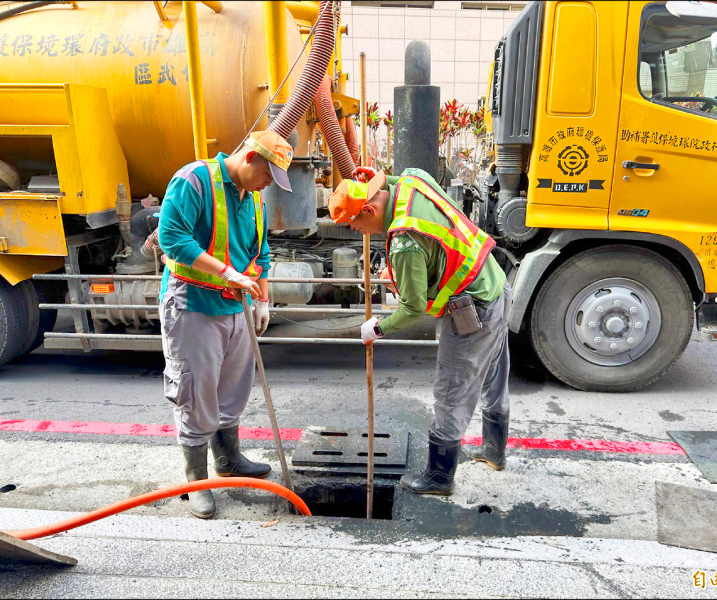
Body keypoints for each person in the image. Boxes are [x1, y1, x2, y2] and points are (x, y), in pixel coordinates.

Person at [328, 167, 512, 496]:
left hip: (473, 312)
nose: (359, 231)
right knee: (493, 374)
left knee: (452, 391)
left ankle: (440, 478)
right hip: (495, 284)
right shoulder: (413, 180)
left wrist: (377, 328)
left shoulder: (404, 243)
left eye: (356, 225)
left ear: (369, 209)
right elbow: (396, 180)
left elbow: (412, 309)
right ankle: (495, 452)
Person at [158, 130, 293, 518]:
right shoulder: (194, 181)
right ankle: (196, 480)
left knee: (232, 390)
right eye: (269, 175)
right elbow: (172, 238)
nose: (269, 185)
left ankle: (228, 459)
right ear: (250, 158)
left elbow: (262, 252)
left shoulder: (253, 198)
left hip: (237, 309)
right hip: (194, 305)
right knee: (196, 392)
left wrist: (262, 299)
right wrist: (227, 273)